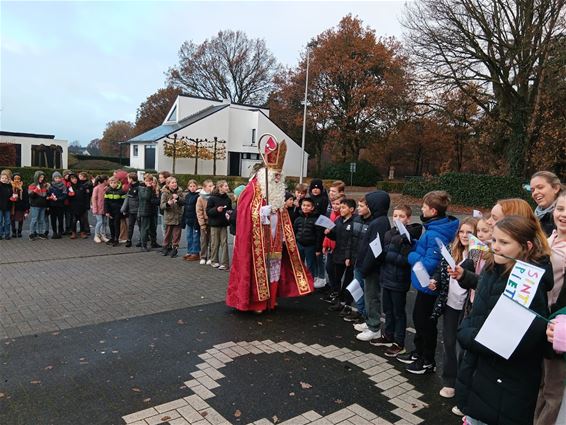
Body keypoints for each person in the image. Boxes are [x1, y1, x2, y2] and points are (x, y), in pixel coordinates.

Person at [457, 216, 552, 425]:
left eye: (504, 242)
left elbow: (512, 341)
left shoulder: (528, 282)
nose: (496, 247)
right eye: (494, 241)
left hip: (505, 385)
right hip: (479, 374)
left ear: (526, 246)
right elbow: (477, 314)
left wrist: (465, 333)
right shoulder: (492, 269)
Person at [226, 137, 314, 312]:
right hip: (256, 241)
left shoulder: (278, 190)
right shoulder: (253, 188)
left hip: (275, 237)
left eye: (279, 176)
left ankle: (270, 301)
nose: (277, 179)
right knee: (257, 271)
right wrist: (259, 211)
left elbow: (282, 211)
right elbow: (243, 211)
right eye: (275, 175)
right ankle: (256, 303)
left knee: (273, 271)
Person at [399, 190, 459, 374]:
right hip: (424, 284)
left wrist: (410, 254)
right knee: (419, 318)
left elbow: (428, 263)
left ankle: (427, 360)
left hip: (430, 285)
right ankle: (418, 352)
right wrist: (415, 243)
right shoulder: (434, 229)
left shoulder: (435, 234)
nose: (422, 210)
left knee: (425, 322)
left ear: (433, 211)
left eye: (424, 207)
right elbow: (427, 251)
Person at [430, 217, 477, 400]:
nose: (464, 235)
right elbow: (440, 270)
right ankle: (449, 381)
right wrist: (435, 280)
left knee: (462, 347)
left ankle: (463, 384)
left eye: (469, 232)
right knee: (449, 343)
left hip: (467, 306)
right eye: (462, 232)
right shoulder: (452, 249)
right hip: (450, 303)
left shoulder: (477, 255)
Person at [372, 205, 422, 357]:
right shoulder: (389, 233)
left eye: (401, 216)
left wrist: (386, 255)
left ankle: (399, 342)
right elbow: (386, 253)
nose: (397, 219)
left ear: (408, 218)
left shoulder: (410, 238)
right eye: (395, 216)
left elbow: (405, 260)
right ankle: (388, 335)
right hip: (386, 277)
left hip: (399, 280)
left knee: (398, 312)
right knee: (387, 309)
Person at [534, 191, 566, 425]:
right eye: (561, 209)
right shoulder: (549, 238)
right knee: (538, 382)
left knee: (553, 391)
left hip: (558, 325)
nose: (563, 215)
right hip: (538, 318)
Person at [350, 190, 391, 326]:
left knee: (371, 297)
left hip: (371, 268)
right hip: (367, 266)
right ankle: (368, 321)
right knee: (368, 296)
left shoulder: (379, 222)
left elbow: (375, 249)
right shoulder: (378, 221)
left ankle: (373, 326)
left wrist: (366, 267)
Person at [324, 198, 356, 308]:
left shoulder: (355, 222)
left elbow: (352, 240)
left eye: (343, 207)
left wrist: (348, 256)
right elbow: (335, 236)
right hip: (338, 253)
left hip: (349, 255)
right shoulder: (338, 220)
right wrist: (328, 233)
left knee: (348, 280)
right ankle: (337, 298)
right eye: (340, 207)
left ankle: (346, 301)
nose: (340, 209)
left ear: (351, 209)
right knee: (337, 277)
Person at [294, 197, 323, 277]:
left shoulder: (316, 219)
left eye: (308, 206)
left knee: (310, 266)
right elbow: (294, 232)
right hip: (299, 245)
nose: (305, 207)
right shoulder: (298, 219)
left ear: (312, 207)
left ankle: (310, 284)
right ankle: (300, 283)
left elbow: (319, 235)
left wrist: (318, 249)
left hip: (311, 246)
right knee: (299, 264)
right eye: (303, 205)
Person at [206, 180, 232, 270]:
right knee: (214, 243)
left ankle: (225, 263)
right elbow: (208, 212)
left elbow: (230, 210)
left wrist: (229, 213)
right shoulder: (212, 198)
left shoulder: (228, 199)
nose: (227, 187)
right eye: (225, 186)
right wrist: (216, 210)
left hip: (223, 224)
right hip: (214, 224)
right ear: (220, 187)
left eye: (227, 186)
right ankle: (214, 261)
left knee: (224, 244)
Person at [530, 171, 563, 236]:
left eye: (540, 187)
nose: (535, 193)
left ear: (556, 188)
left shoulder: (562, 218)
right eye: (532, 190)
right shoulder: (532, 218)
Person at [160, 176, 185, 258]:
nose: (175, 184)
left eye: (175, 182)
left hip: (178, 216)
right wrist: (168, 204)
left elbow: (183, 202)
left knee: (176, 234)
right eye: (172, 183)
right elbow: (162, 206)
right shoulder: (165, 193)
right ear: (168, 184)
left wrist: (178, 198)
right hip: (169, 217)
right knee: (168, 233)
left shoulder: (180, 191)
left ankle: (175, 248)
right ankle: (165, 247)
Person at [138, 173, 160, 251]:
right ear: (144, 181)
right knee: (145, 229)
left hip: (152, 211)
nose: (149, 182)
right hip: (145, 211)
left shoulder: (151, 188)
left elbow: (153, 199)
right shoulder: (141, 188)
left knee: (153, 228)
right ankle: (143, 245)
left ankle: (154, 243)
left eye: (150, 180)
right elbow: (146, 197)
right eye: (147, 181)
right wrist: (148, 187)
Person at [28, 170, 50, 240]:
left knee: (41, 220)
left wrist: (48, 193)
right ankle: (32, 233)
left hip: (43, 206)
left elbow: (45, 196)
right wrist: (36, 190)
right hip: (35, 206)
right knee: (34, 220)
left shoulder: (44, 186)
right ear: (36, 177)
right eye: (40, 177)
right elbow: (31, 196)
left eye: (43, 177)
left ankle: (40, 233)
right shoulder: (32, 185)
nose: (42, 179)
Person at [182, 179, 201, 261]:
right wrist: (183, 220)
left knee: (195, 237)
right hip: (188, 220)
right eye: (191, 186)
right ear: (188, 187)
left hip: (195, 220)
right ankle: (189, 251)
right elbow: (185, 209)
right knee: (189, 236)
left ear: (196, 187)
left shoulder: (198, 196)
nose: (192, 188)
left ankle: (195, 253)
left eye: (194, 186)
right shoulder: (187, 196)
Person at [104, 176, 126, 247]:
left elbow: (124, 202)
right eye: (111, 183)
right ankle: (112, 238)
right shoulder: (107, 191)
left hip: (118, 211)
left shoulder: (122, 191)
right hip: (110, 211)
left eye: (114, 183)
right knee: (111, 225)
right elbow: (106, 202)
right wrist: (107, 211)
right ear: (109, 183)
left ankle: (116, 239)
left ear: (117, 183)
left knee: (116, 224)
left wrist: (123, 210)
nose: (113, 184)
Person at [196, 179, 214, 265]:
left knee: (212, 240)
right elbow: (199, 212)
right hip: (204, 222)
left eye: (212, 186)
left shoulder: (214, 197)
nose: (211, 187)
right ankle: (203, 256)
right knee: (203, 240)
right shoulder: (200, 198)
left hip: (213, 222)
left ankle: (211, 257)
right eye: (209, 186)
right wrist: (202, 224)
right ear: (204, 187)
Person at [122, 172, 141, 248]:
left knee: (140, 226)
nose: (127, 180)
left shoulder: (139, 187)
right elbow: (128, 199)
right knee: (130, 226)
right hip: (131, 211)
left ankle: (141, 241)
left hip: (137, 211)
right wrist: (125, 209)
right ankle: (129, 240)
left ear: (131, 179)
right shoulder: (130, 187)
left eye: (128, 178)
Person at [47, 171, 67, 239]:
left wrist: (58, 199)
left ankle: (60, 232)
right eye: (56, 178)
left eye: (58, 178)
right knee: (53, 219)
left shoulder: (63, 186)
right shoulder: (50, 186)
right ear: (53, 178)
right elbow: (48, 194)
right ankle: (54, 232)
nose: (57, 179)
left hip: (60, 205)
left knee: (60, 219)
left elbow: (65, 195)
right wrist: (50, 197)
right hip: (52, 205)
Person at [91, 175, 109, 243]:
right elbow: (94, 199)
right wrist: (95, 209)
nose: (109, 181)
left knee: (104, 222)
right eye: (108, 180)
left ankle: (103, 235)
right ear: (105, 181)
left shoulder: (107, 188)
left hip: (105, 208)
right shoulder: (96, 188)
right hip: (98, 208)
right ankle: (96, 235)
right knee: (100, 221)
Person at [10, 173, 28, 238]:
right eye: (15, 179)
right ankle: (13, 231)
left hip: (21, 206)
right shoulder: (10, 187)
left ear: (21, 180)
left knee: (20, 219)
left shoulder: (23, 188)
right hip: (12, 206)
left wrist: (27, 208)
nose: (17, 180)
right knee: (12, 219)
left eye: (18, 179)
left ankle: (20, 231)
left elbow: (26, 198)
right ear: (12, 179)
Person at [0, 170, 13, 240]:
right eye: (2, 178)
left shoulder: (10, 187)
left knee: (7, 222)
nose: (4, 179)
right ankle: (0, 234)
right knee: (0, 221)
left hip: (8, 207)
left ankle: (7, 234)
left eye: (5, 178)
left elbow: (12, 196)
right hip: (0, 207)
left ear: (8, 179)